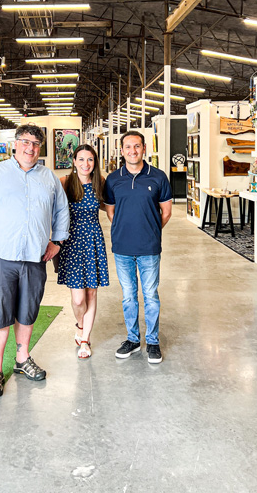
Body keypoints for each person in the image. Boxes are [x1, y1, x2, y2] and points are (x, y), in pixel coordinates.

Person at [0, 124, 69, 397]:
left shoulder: (49, 178)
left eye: (36, 143)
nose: (30, 147)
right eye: (25, 141)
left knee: (27, 310)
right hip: (0, 258)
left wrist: (57, 241)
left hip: (35, 258)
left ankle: (22, 360)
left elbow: (61, 211)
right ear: (15, 143)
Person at [104, 131, 172, 364]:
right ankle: (133, 339)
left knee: (151, 295)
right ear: (121, 151)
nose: (133, 151)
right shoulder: (113, 179)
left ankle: (152, 342)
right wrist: (126, 229)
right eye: (128, 147)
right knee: (128, 296)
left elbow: (167, 211)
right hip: (122, 248)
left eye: (137, 146)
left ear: (144, 148)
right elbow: (111, 212)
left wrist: (149, 229)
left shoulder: (159, 177)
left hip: (149, 248)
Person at [57, 144, 109, 359]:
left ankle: (85, 339)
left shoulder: (100, 184)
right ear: (74, 161)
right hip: (71, 242)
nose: (85, 164)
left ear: (94, 162)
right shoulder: (65, 183)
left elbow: (112, 207)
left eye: (90, 160)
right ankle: (80, 325)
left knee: (91, 292)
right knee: (78, 299)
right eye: (81, 159)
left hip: (93, 241)